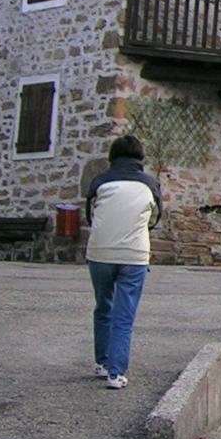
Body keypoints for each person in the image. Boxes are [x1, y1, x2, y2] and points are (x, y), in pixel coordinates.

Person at [85, 134, 162, 390]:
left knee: (103, 306)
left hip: (100, 253)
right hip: (134, 255)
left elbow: (90, 215)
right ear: (141, 158)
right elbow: (155, 219)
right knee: (124, 315)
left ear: (112, 158)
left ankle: (101, 362)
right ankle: (116, 374)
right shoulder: (150, 185)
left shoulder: (100, 182)